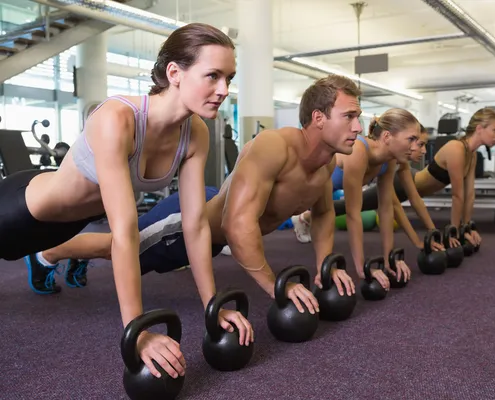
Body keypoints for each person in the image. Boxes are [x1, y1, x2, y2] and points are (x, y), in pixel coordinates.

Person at [0, 23, 252, 380]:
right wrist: (138, 331)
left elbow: (195, 224)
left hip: (68, 226)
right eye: (212, 76)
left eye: (228, 77)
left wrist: (213, 307)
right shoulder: (117, 118)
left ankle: (42, 259)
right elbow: (123, 230)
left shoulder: (195, 133)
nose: (223, 90)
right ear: (174, 73)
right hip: (19, 213)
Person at [29, 74, 363, 326]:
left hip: (214, 226)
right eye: (349, 116)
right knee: (119, 246)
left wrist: (324, 266)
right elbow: (237, 224)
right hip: (188, 219)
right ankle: (46, 253)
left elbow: (321, 215)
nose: (359, 127)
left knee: (131, 255)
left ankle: (74, 259)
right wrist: (278, 286)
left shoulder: (325, 164)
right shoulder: (276, 146)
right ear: (319, 118)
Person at [331, 108, 495, 248]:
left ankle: (311, 216)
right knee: (346, 206)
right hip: (406, 182)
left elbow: (465, 195)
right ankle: (307, 217)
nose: (423, 151)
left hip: (410, 181)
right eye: (417, 142)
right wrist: (445, 233)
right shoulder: (456, 149)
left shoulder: (471, 155)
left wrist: (459, 228)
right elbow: (399, 205)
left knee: (350, 206)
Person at [293, 108, 424, 289]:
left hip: (327, 189)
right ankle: (301, 218)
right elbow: (352, 213)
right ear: (387, 137)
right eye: (411, 139)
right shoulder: (358, 151)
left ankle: (304, 219)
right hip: (303, 182)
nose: (415, 147)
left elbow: (386, 209)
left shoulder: (390, 159)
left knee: (325, 211)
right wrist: (362, 268)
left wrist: (389, 260)